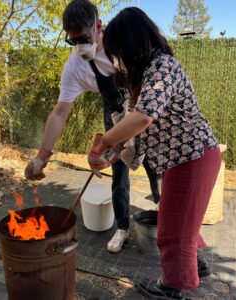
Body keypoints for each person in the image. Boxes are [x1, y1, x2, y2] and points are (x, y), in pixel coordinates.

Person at [88, 7, 221, 300]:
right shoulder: (144, 78)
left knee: (172, 232)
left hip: (193, 157)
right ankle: (196, 264)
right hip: (184, 161)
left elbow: (143, 118)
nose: (114, 61)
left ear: (130, 43)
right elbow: (136, 134)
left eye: (116, 52)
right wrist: (114, 154)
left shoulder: (163, 67)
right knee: (182, 220)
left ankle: (173, 289)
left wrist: (103, 142)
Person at [24, 0, 161, 253]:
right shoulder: (75, 67)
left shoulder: (123, 41)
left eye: (84, 38)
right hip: (116, 116)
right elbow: (60, 112)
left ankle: (168, 227)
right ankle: (122, 229)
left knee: (158, 169)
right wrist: (42, 156)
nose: (80, 46)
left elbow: (154, 78)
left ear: (98, 26)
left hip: (146, 110)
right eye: (72, 41)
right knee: (119, 174)